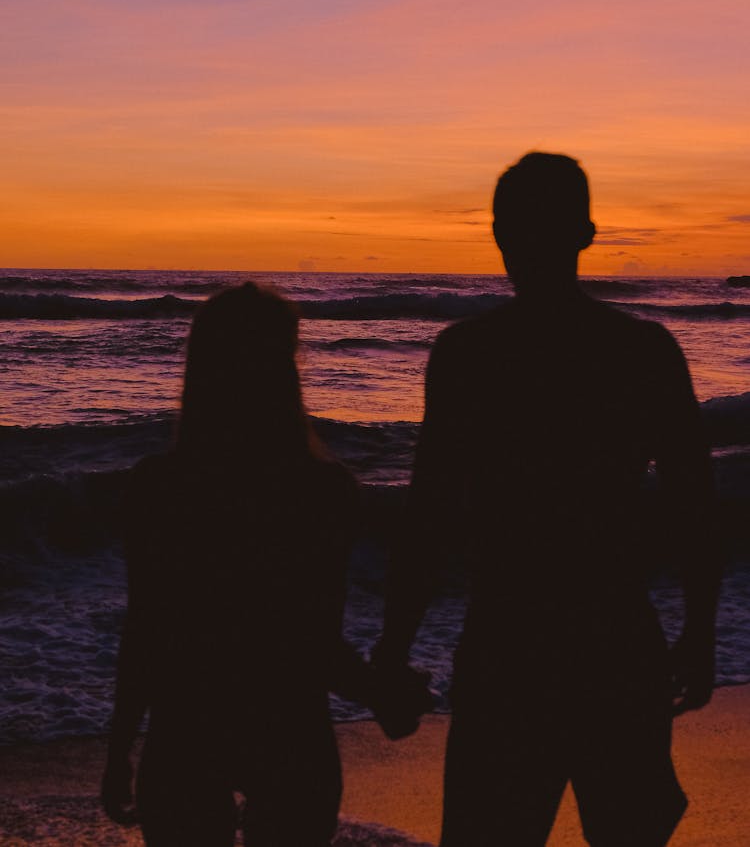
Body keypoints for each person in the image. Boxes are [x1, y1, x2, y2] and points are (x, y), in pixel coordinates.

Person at [373, 153, 722, 847]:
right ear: (586, 232)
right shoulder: (643, 350)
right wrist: (700, 632)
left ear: (502, 235)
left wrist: (392, 648)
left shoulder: (469, 354)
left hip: (509, 643)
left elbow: (430, 515)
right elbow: (694, 506)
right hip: (615, 639)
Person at [101, 282, 370, 847]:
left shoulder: (160, 487)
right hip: (292, 728)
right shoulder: (323, 490)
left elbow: (147, 627)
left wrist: (120, 745)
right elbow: (317, 637)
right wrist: (380, 691)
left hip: (186, 728)